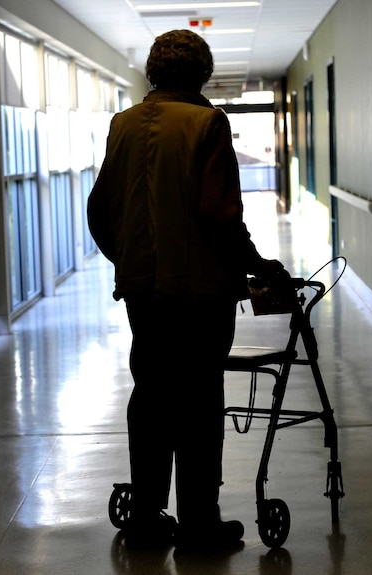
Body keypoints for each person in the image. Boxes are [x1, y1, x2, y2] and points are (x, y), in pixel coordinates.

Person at [87, 29, 285, 552]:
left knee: (151, 395)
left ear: (153, 73)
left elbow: (99, 211)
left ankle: (147, 519)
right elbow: (219, 216)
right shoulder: (206, 122)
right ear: (202, 73)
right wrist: (260, 265)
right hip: (200, 295)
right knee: (199, 400)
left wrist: (130, 260)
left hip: (142, 292)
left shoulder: (123, 124)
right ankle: (199, 523)